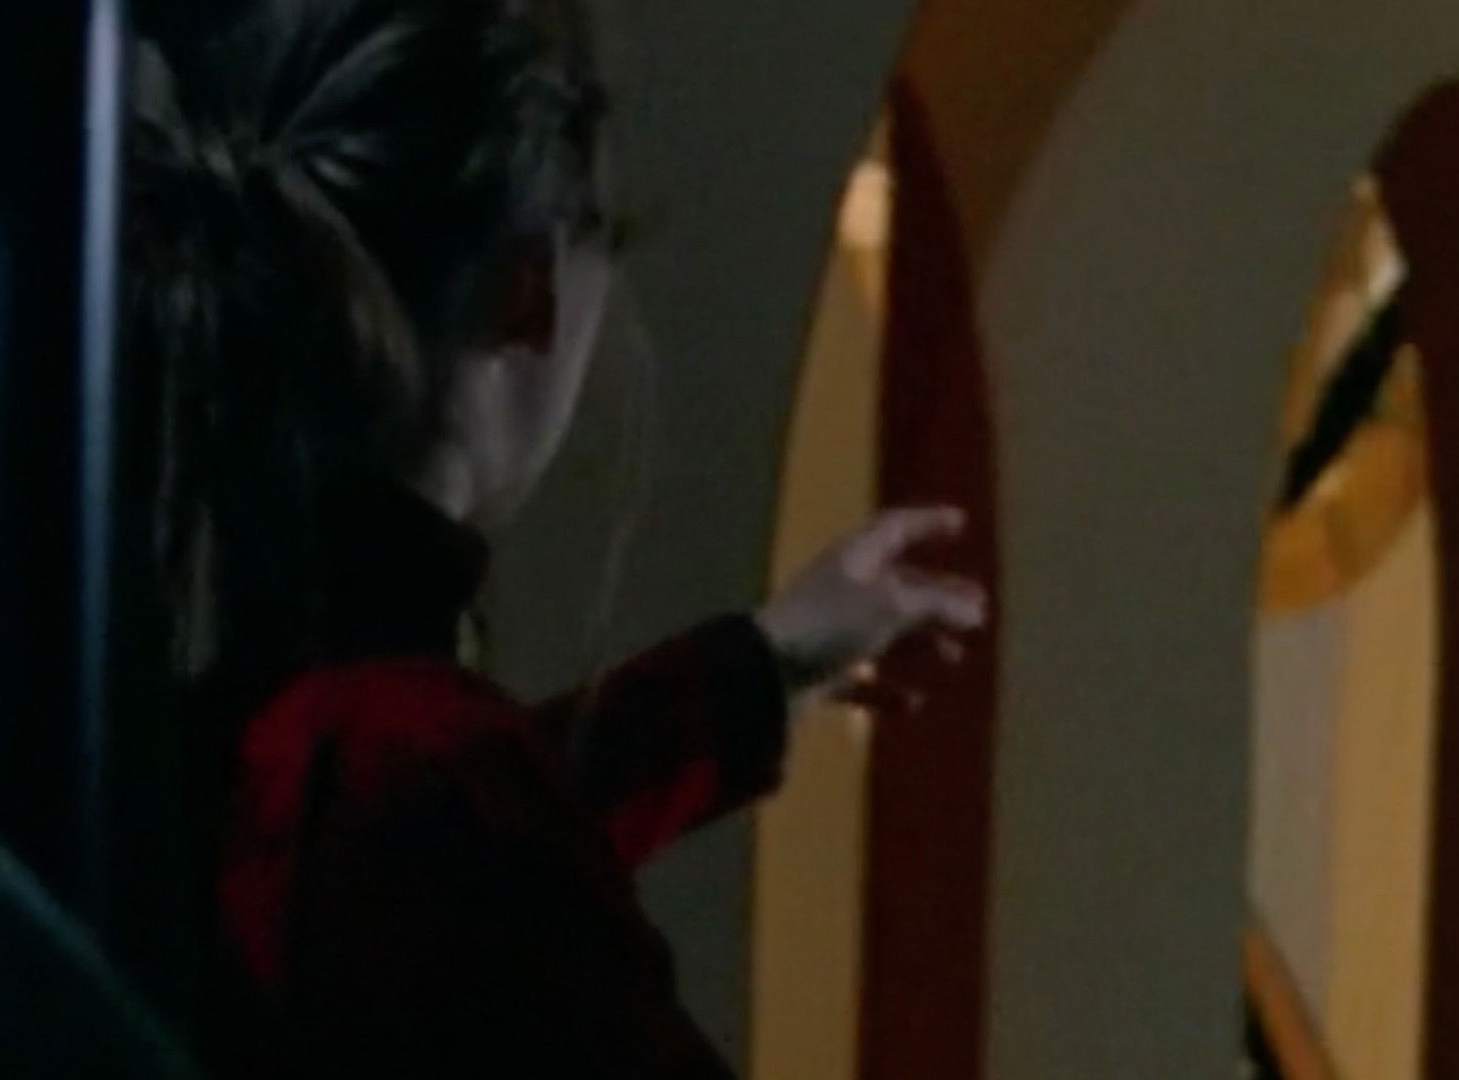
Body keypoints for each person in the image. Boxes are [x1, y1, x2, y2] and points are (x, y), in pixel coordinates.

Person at [124, 0, 984, 1075]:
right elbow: (458, 862)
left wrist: (760, 669)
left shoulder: (213, 699)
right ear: (526, 293)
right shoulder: (406, 768)